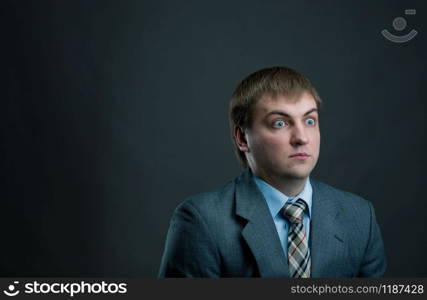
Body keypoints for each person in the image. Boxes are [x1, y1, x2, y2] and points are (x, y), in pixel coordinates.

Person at [158, 66, 387, 277]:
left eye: (309, 121)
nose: (302, 138)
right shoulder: (202, 221)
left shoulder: (359, 217)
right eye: (280, 123)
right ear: (242, 138)